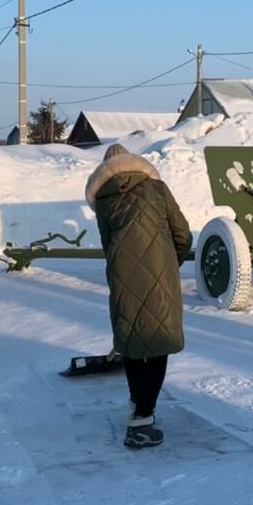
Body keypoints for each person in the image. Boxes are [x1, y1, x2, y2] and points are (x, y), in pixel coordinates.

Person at [85, 143, 192, 449]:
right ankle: (143, 418)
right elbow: (182, 234)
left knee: (132, 341)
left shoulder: (104, 200)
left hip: (122, 276)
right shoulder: (157, 189)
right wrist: (170, 262)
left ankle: (138, 405)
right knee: (158, 342)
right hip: (162, 274)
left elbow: (110, 248)